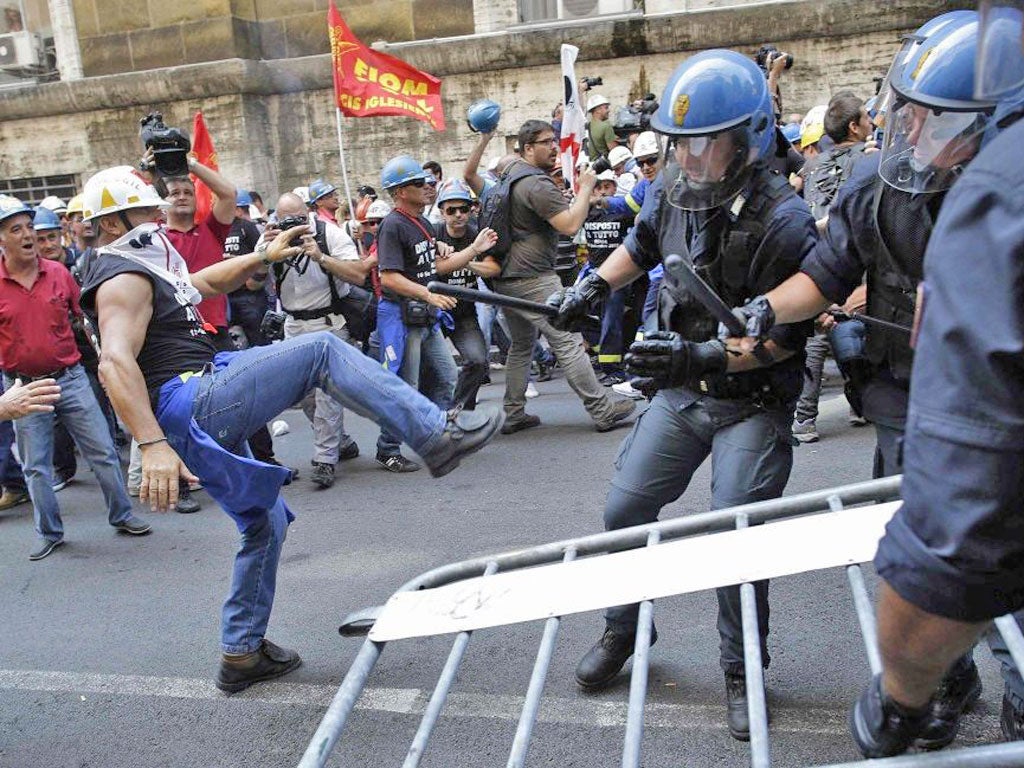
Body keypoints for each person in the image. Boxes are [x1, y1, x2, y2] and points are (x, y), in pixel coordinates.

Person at [78, 166, 504, 692]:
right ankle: (434, 436)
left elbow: (205, 282)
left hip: (199, 397)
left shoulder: (146, 266)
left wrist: (262, 256)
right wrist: (152, 446)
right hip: (191, 399)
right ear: (114, 223)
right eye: (146, 212)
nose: (159, 220)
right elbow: (113, 362)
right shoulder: (121, 276)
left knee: (264, 524)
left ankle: (242, 653)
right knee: (321, 350)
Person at [730, 13, 1002, 751]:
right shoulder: (874, 186)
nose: (909, 131)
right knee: (928, 547)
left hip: (997, 406)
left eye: (932, 118)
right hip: (907, 396)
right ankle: (948, 681)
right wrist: (762, 309)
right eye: (905, 109)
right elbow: (823, 275)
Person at [548, 49, 816, 740]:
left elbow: (787, 338)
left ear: (749, 137)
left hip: (752, 399)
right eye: (680, 142)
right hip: (680, 389)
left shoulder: (784, 220)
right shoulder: (670, 185)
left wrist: (702, 351)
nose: (689, 157)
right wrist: (592, 287)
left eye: (706, 143)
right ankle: (626, 627)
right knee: (625, 508)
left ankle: (742, 669)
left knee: (737, 531)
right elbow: (638, 244)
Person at [0, 194, 150, 562]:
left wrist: (106, 366)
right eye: (15, 229)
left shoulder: (60, 274)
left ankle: (123, 514)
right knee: (36, 466)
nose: (27, 235)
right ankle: (50, 533)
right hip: (24, 389)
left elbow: (87, 323)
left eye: (29, 227)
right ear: (1, 239)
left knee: (102, 450)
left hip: (70, 378)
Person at [492, 120, 635, 435]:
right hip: (534, 278)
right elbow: (570, 225)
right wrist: (586, 188)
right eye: (545, 142)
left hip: (507, 277)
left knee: (521, 345)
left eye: (553, 140)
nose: (554, 147)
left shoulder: (508, 178)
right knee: (568, 340)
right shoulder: (536, 183)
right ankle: (603, 410)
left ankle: (514, 412)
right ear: (528, 148)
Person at [374, 156, 490, 470]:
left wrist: (472, 250)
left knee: (448, 379)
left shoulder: (422, 223)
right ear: (399, 192)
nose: (427, 187)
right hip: (403, 316)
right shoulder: (392, 225)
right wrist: (428, 294)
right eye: (417, 183)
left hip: (424, 315)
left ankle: (437, 439)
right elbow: (389, 277)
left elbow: (436, 266)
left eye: (425, 181)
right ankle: (388, 448)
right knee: (405, 387)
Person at [269, 193, 370, 489]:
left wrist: (320, 256)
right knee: (305, 395)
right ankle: (341, 442)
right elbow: (251, 282)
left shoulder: (329, 235)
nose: (294, 227)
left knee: (328, 395)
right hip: (293, 327)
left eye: (299, 220)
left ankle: (325, 459)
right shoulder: (274, 240)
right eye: (286, 221)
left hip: (329, 325)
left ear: (309, 214)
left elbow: (359, 275)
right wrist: (266, 253)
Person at [432, 180, 499, 410]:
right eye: (451, 210)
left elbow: (493, 268)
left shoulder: (477, 235)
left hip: (463, 314)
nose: (459, 215)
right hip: (433, 313)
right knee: (429, 370)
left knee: (478, 361)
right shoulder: (432, 233)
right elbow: (438, 266)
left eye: (464, 209)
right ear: (442, 212)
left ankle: (461, 411)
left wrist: (466, 261)